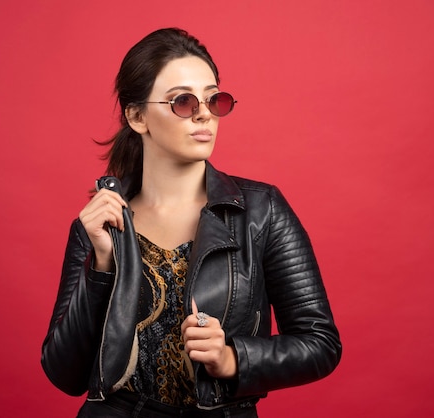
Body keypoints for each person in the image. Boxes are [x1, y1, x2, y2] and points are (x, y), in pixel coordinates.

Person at [41, 27, 342, 418]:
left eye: (213, 99)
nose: (204, 113)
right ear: (137, 116)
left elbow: (321, 343)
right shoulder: (103, 221)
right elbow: (65, 374)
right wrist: (100, 266)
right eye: (182, 101)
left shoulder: (261, 211)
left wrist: (233, 357)